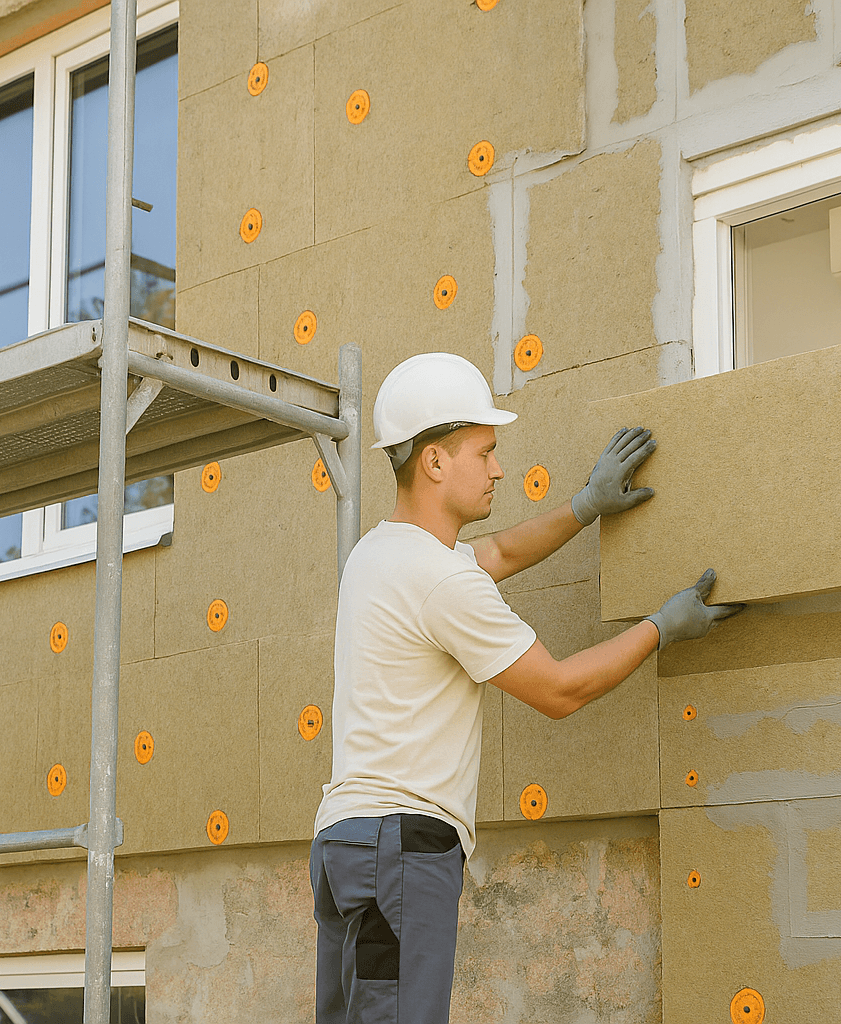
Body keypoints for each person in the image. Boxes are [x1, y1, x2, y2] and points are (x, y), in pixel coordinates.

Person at [310, 351, 742, 1024]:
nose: (498, 469)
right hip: (399, 852)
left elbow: (500, 553)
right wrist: (662, 627)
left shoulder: (381, 552)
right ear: (434, 462)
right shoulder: (441, 581)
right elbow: (559, 690)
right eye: (485, 452)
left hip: (346, 847)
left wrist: (585, 506)